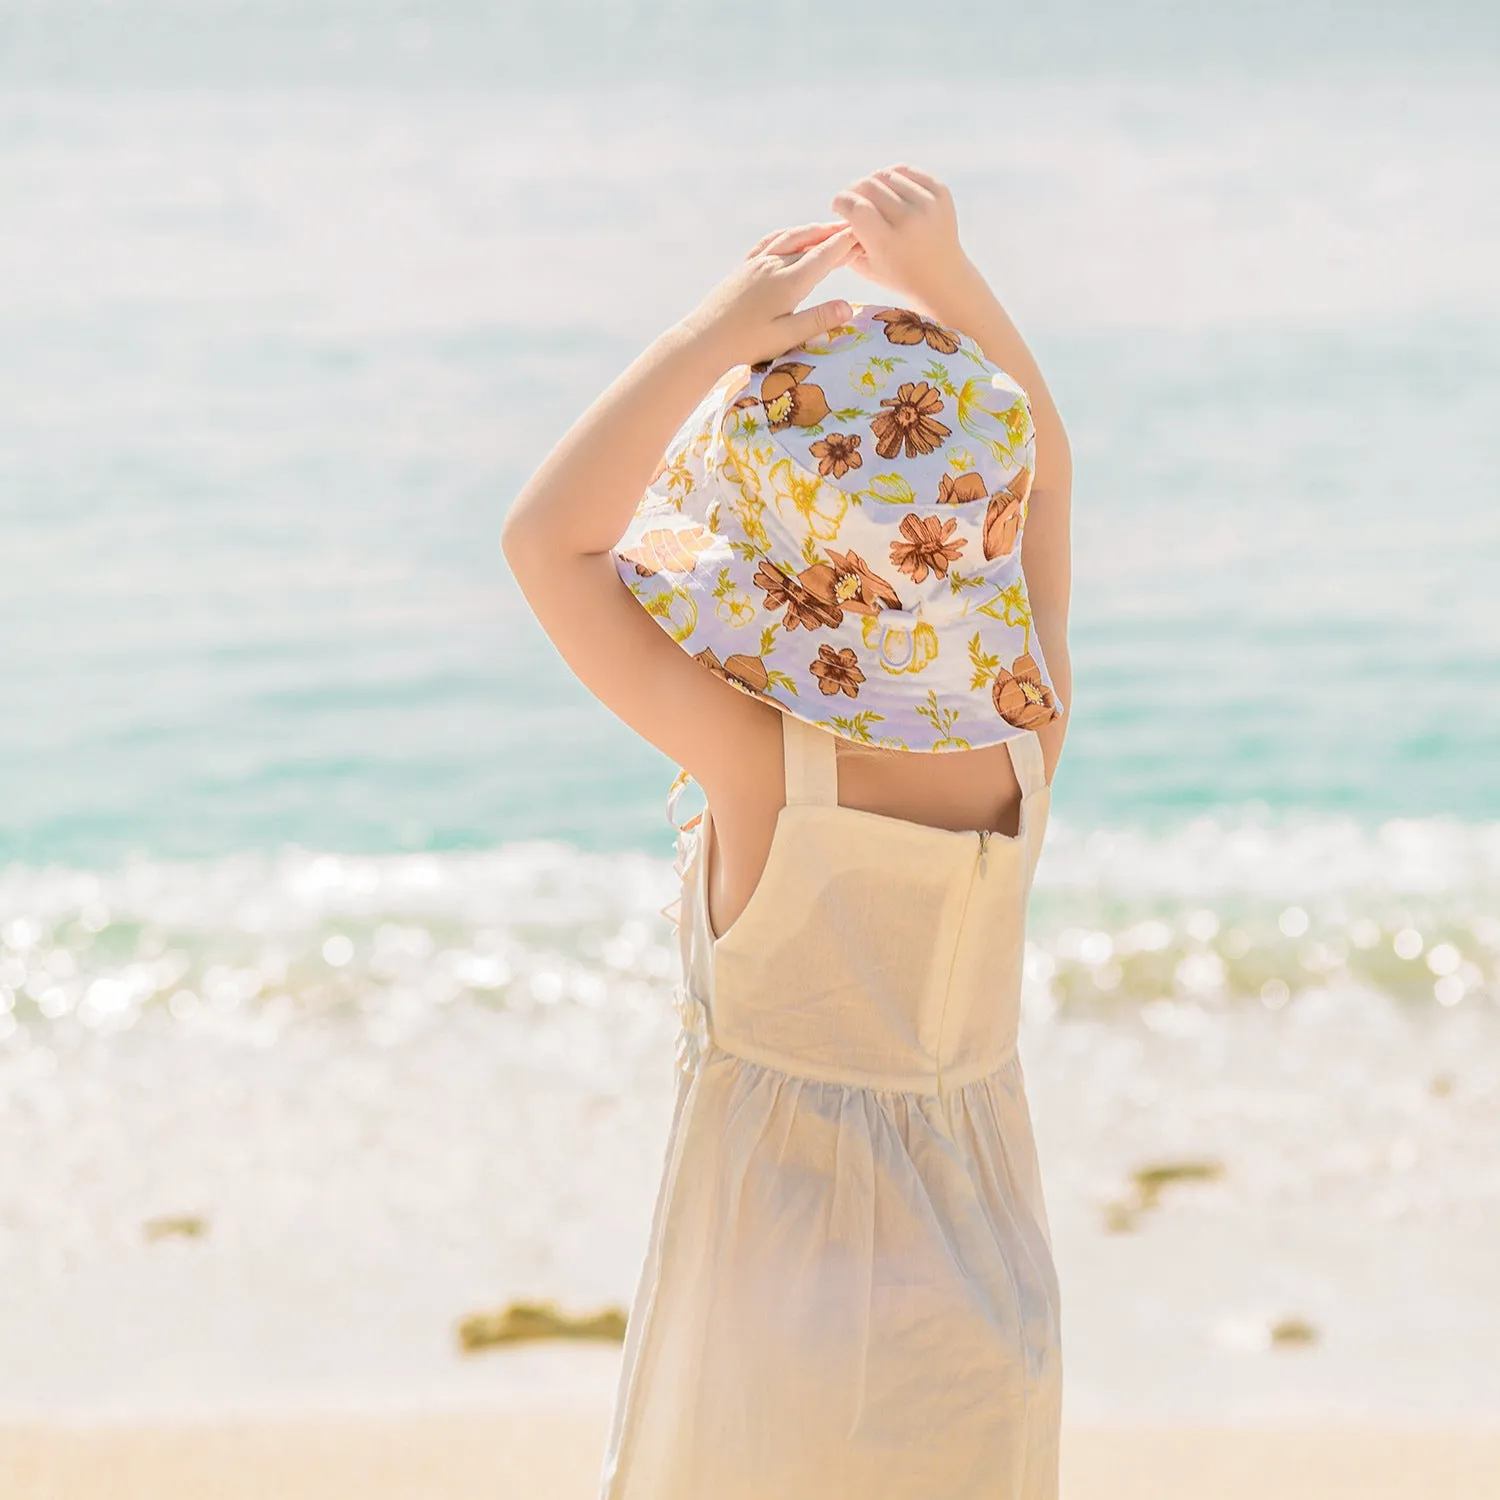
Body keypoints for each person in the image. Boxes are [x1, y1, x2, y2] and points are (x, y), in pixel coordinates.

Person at [502, 164, 1073, 1499]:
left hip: (777, 1313)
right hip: (993, 1289)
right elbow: (1043, 480)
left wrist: (711, 333)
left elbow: (548, 544)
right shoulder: (1025, 740)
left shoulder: (767, 764)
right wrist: (947, 275)